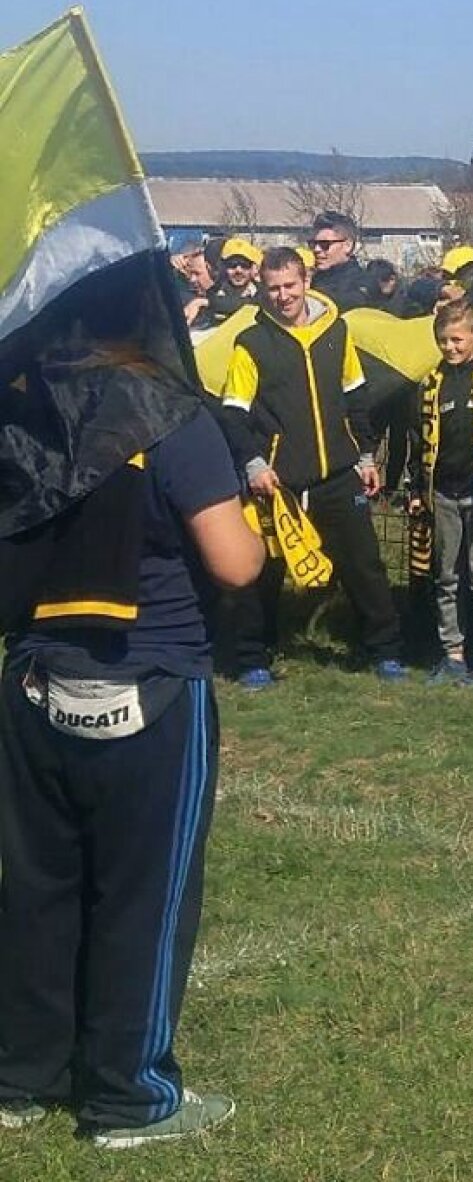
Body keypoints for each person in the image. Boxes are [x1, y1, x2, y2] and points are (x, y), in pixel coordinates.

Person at [0, 361, 264, 1147]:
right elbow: (234, 562)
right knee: (143, 900)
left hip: (35, 679)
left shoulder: (23, 404)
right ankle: (128, 1096)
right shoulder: (173, 417)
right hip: (148, 680)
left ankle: (20, 1076)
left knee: (37, 891)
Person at [220, 247, 407, 685]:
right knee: (263, 572)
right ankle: (252, 658)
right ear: (262, 291)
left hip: (339, 474)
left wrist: (364, 454)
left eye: (289, 286)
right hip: (278, 482)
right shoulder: (251, 343)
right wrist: (254, 465)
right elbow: (233, 414)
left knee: (364, 564)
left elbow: (357, 396)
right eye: (273, 289)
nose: (282, 296)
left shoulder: (336, 331)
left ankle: (384, 651)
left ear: (305, 282)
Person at [408, 300, 473, 685]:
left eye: (457, 339)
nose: (450, 348)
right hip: (444, 494)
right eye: (443, 341)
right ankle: (452, 653)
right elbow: (419, 442)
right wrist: (417, 488)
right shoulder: (430, 385)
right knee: (447, 577)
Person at [309, 211, 375, 310]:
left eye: (325, 245)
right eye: (313, 244)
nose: (317, 250)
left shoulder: (359, 287)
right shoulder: (314, 280)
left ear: (348, 246)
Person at [206, 236, 262, 325]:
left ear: (252, 268)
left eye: (244, 265)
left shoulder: (264, 294)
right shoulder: (212, 293)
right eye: (232, 265)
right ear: (223, 267)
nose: (238, 270)